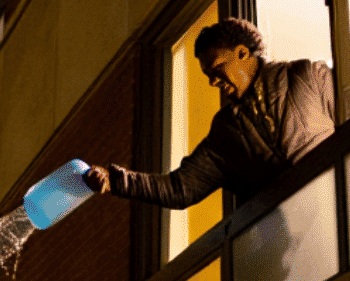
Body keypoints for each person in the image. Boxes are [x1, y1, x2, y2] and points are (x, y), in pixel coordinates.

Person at [84, 18, 336, 206]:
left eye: (217, 69)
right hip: (298, 236)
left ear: (242, 53)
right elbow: (180, 187)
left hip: (343, 201)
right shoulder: (225, 131)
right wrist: (116, 182)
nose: (213, 82)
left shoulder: (308, 77)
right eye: (208, 75)